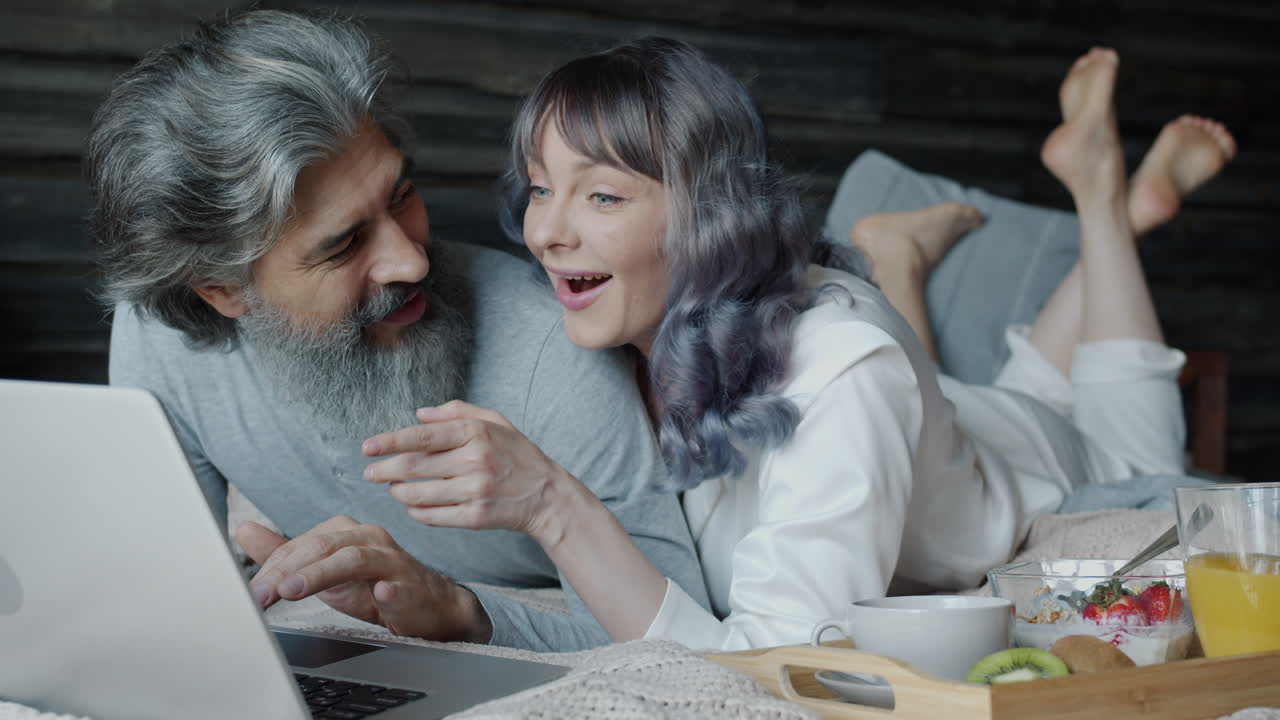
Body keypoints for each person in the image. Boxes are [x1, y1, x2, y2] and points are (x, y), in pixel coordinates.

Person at [359, 38, 1234, 651]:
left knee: (1131, 445)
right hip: (948, 419)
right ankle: (1075, 216)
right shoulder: (617, 327)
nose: (544, 232)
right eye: (543, 188)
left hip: (1035, 464)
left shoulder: (846, 377)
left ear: (708, 216)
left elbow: (772, 677)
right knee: (1027, 385)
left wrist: (554, 504)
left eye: (603, 198)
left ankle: (1104, 196)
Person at [88, 10, 709, 651]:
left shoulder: (553, 359)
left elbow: (670, 641)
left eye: (402, 194)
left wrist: (463, 611)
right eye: (345, 245)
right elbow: (155, 589)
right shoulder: (159, 338)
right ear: (220, 291)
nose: (412, 261)